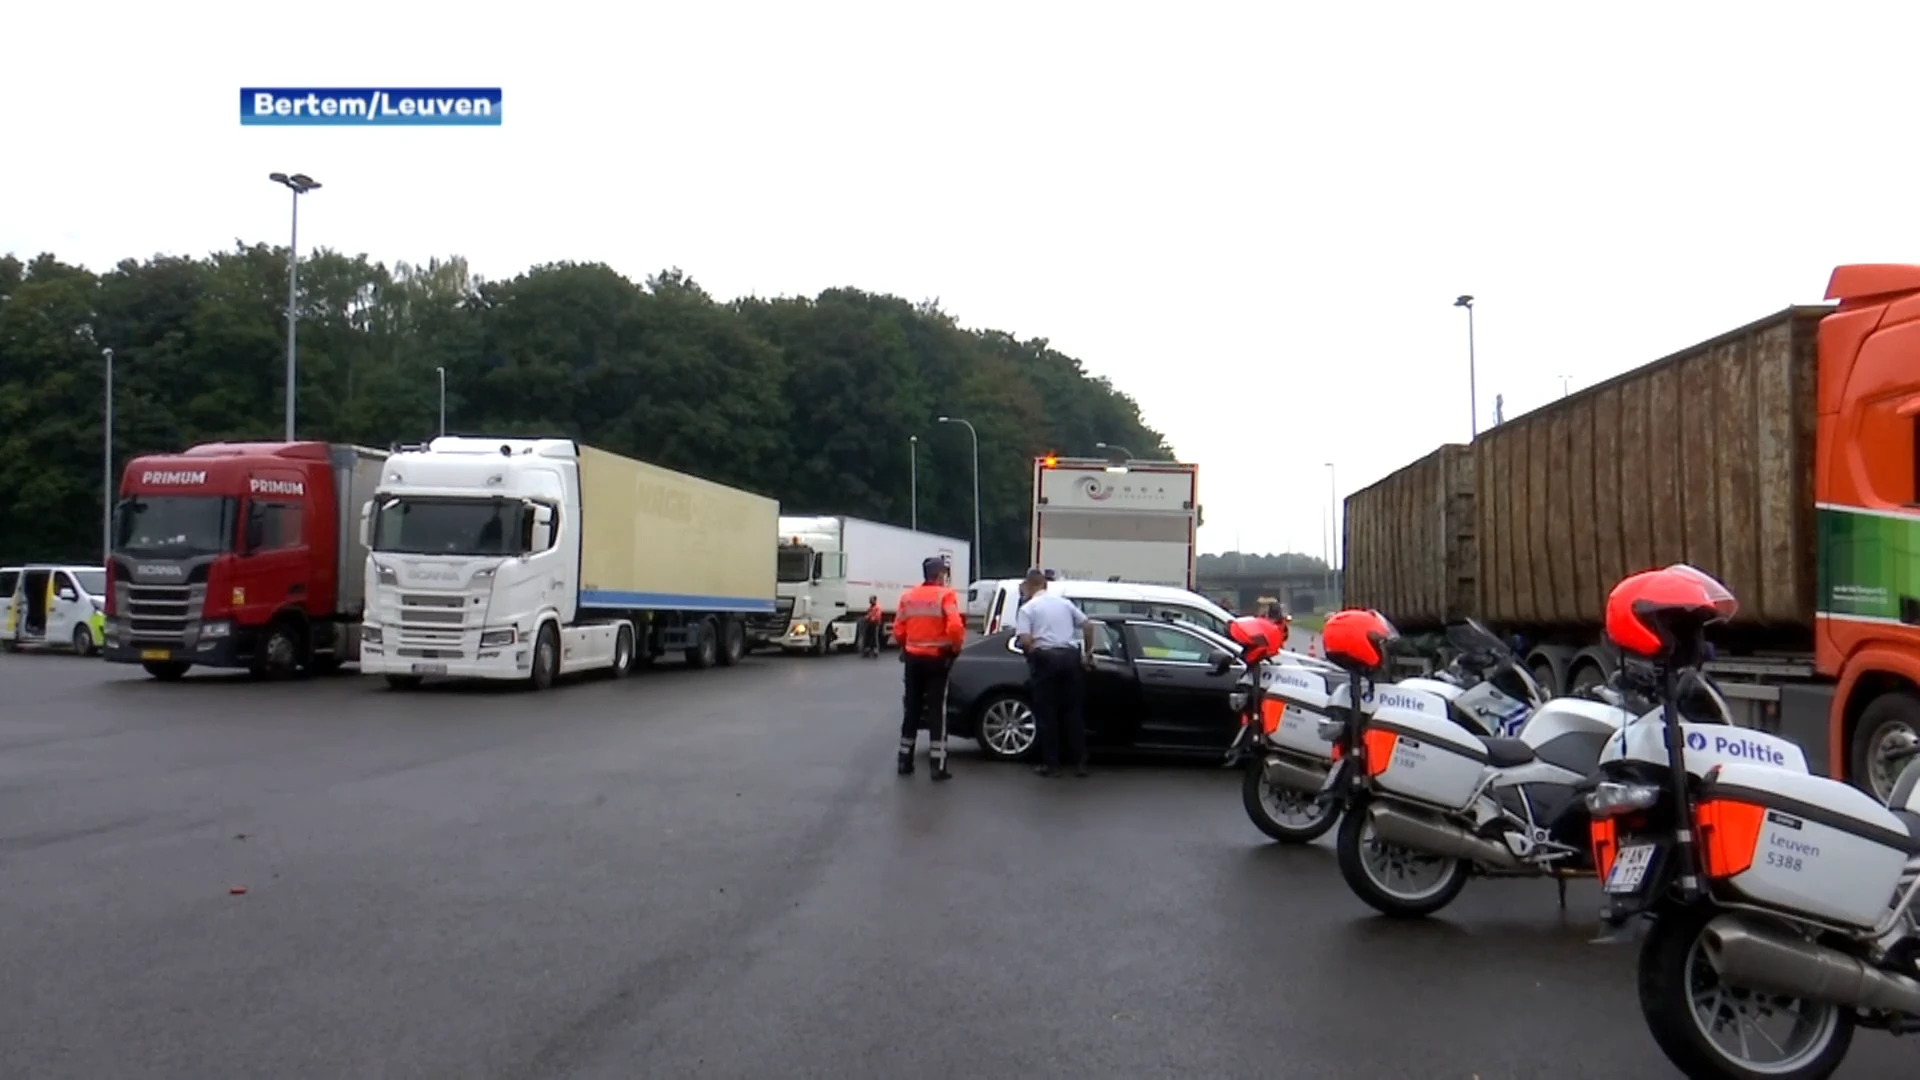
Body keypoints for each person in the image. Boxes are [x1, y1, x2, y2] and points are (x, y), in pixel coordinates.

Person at [1014, 568, 1096, 778]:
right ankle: (1079, 763)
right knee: (1073, 713)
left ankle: (1052, 765)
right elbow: (1088, 626)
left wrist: (1034, 655)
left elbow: (1025, 640)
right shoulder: (1064, 603)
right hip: (1070, 659)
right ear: (1045, 585)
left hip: (1046, 660)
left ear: (1030, 586)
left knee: (1047, 715)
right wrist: (1087, 654)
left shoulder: (1028, 608)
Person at [894, 556, 966, 781]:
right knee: (937, 711)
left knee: (912, 709)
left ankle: (904, 761)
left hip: (913, 659)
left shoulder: (908, 596)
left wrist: (906, 645)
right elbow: (954, 626)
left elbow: (898, 628)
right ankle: (938, 765)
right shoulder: (945, 595)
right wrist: (955, 648)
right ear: (939, 575)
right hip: (937, 659)